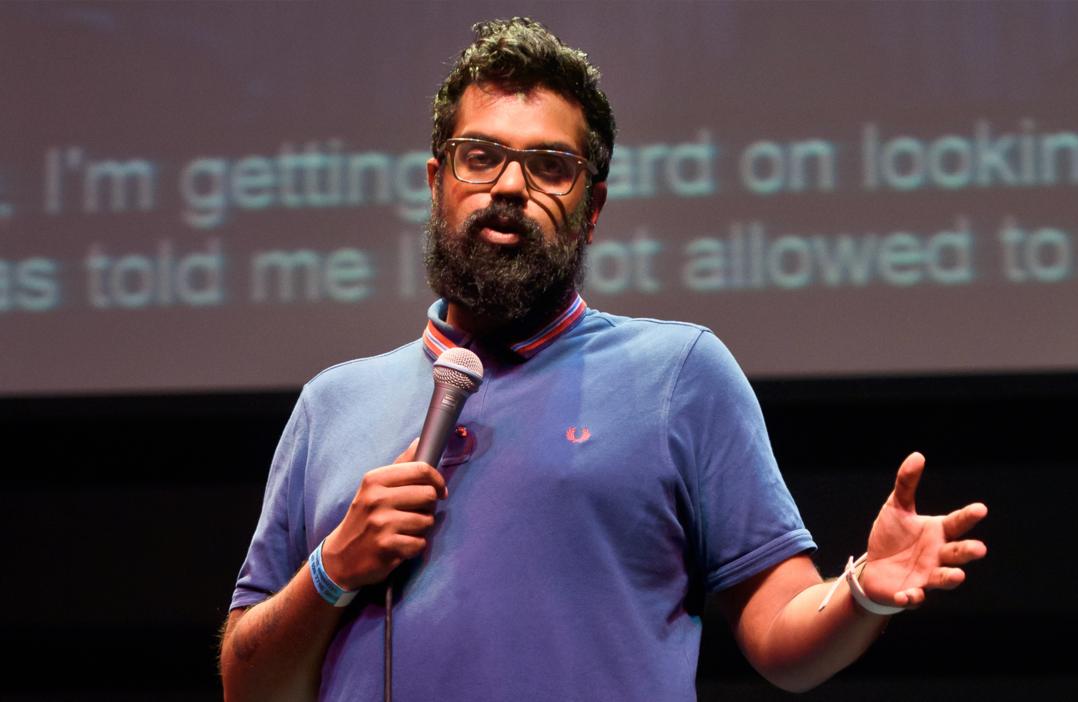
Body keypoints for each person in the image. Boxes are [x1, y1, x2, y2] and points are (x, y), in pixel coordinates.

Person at [220, 17, 987, 701]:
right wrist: (331, 569)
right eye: (479, 156)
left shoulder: (679, 373)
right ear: (436, 184)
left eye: (551, 166)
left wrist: (864, 593)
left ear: (592, 210)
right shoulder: (332, 404)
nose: (511, 186)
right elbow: (248, 687)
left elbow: (781, 637)